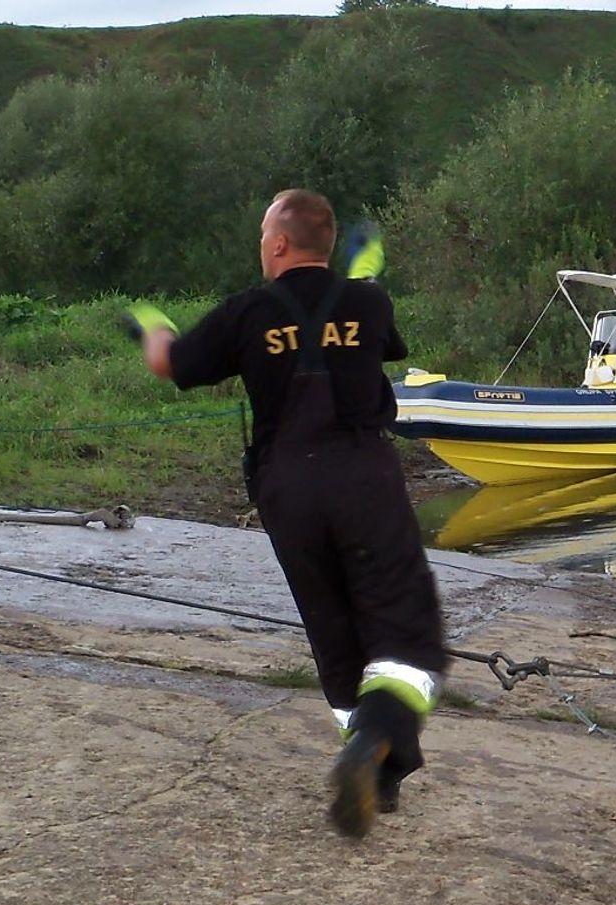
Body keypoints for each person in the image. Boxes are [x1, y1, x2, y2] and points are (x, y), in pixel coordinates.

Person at [129, 188, 448, 839]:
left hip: (287, 491)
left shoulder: (246, 312)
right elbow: (369, 331)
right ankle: (374, 750)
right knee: (405, 634)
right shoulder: (368, 300)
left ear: (277, 243)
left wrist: (148, 324)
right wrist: (359, 274)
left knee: (333, 630)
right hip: (363, 477)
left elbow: (170, 361)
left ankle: (372, 762)